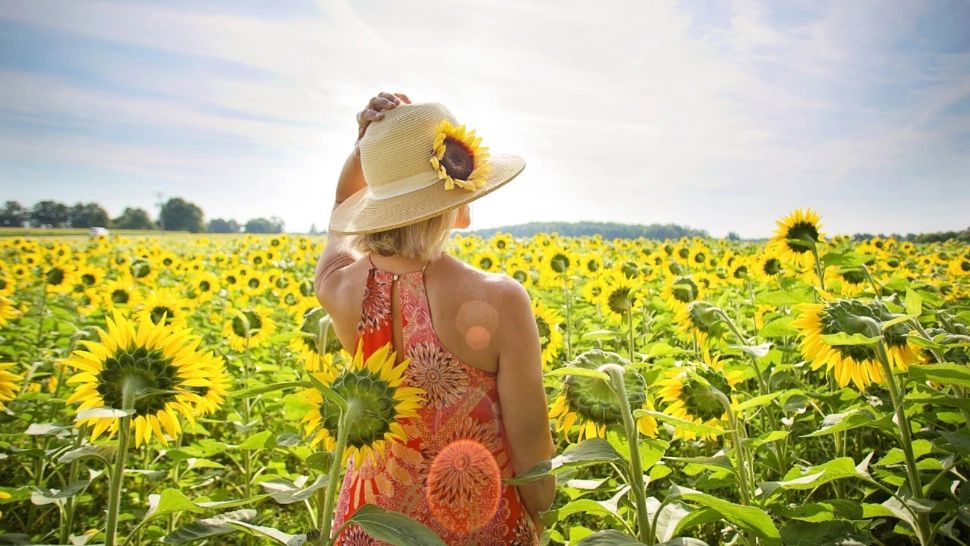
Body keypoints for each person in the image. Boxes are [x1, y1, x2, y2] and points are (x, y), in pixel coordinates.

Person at [314, 92, 555, 545]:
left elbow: (339, 217)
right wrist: (541, 522)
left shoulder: (338, 286)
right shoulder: (500, 299)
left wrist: (365, 151)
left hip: (368, 526)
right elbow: (532, 453)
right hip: (479, 526)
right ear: (454, 195)